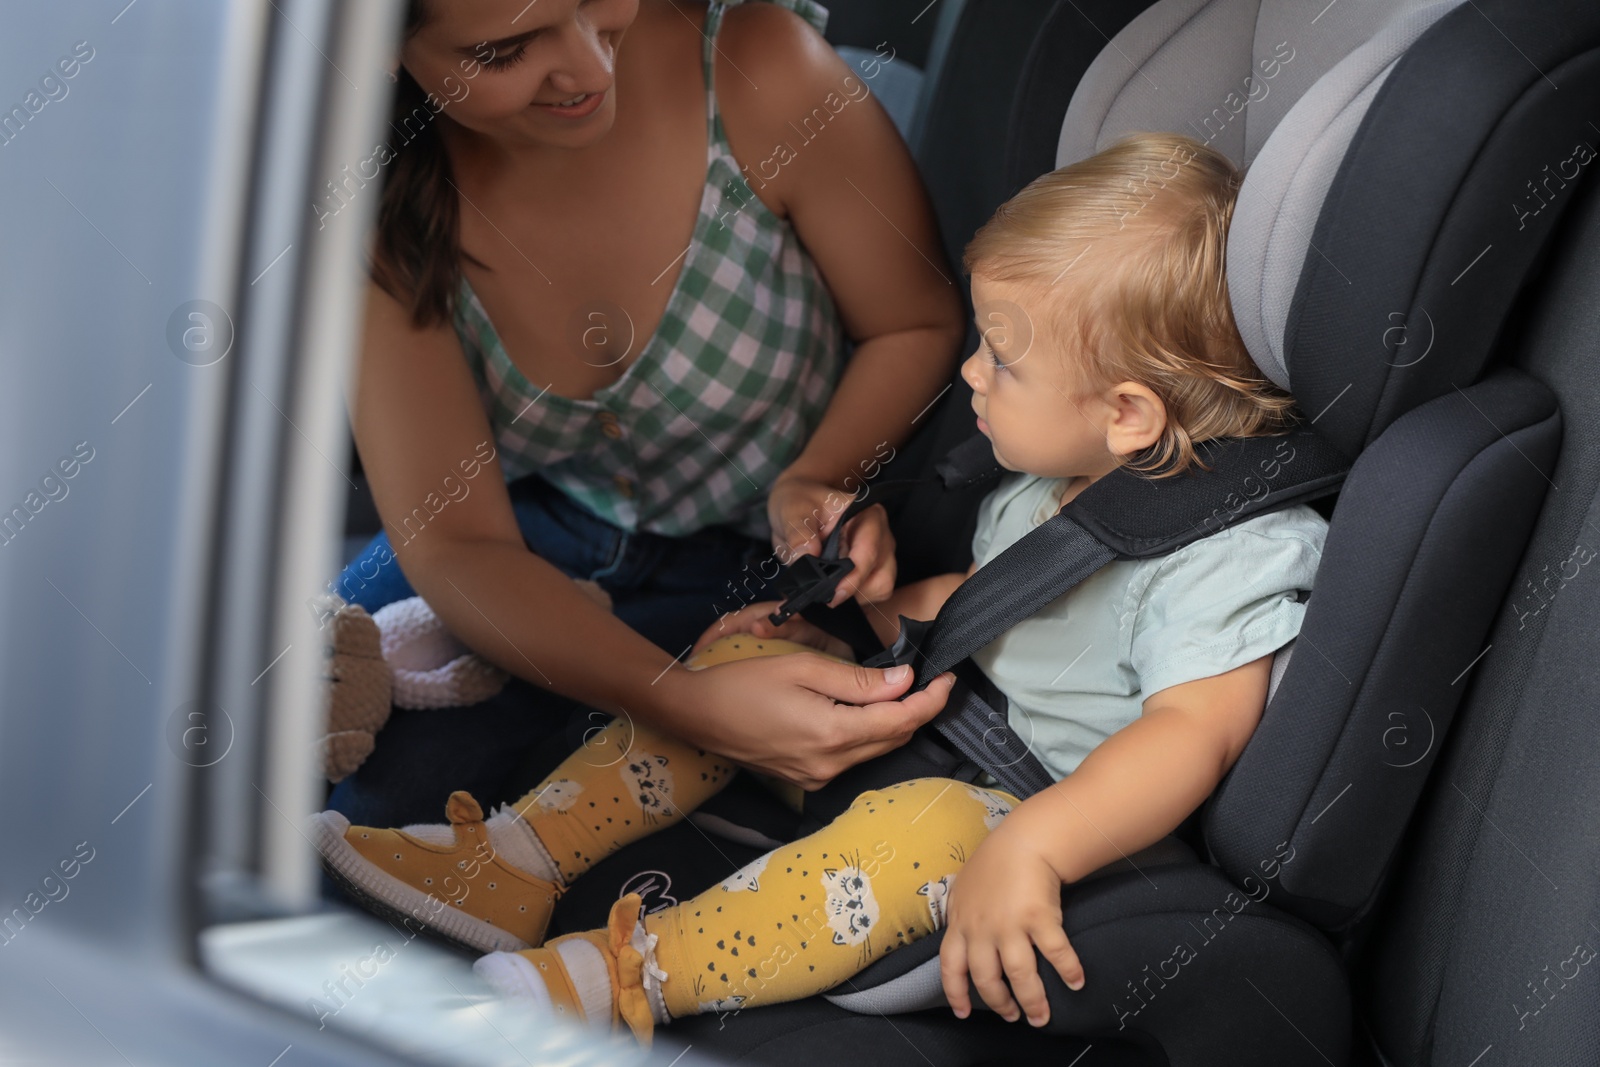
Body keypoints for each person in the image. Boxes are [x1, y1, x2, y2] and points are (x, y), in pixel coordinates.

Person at [311, 131, 1331, 1043]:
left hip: (1018, 801)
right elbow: (991, 604)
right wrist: (855, 609)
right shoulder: (1059, 483)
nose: (972, 375)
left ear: (1127, 414)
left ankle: (625, 974)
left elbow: (1191, 730)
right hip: (937, 718)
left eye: (1004, 360)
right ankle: (513, 859)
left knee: (923, 826)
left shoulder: (1228, 552)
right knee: (746, 657)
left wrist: (1036, 845)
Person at [326, 0, 965, 826]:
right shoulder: (371, 195)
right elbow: (458, 543)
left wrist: (818, 476)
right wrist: (691, 704)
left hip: (770, 561)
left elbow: (913, 322)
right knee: (330, 788)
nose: (591, 69)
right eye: (506, 50)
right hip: (525, 537)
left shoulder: (760, 70)